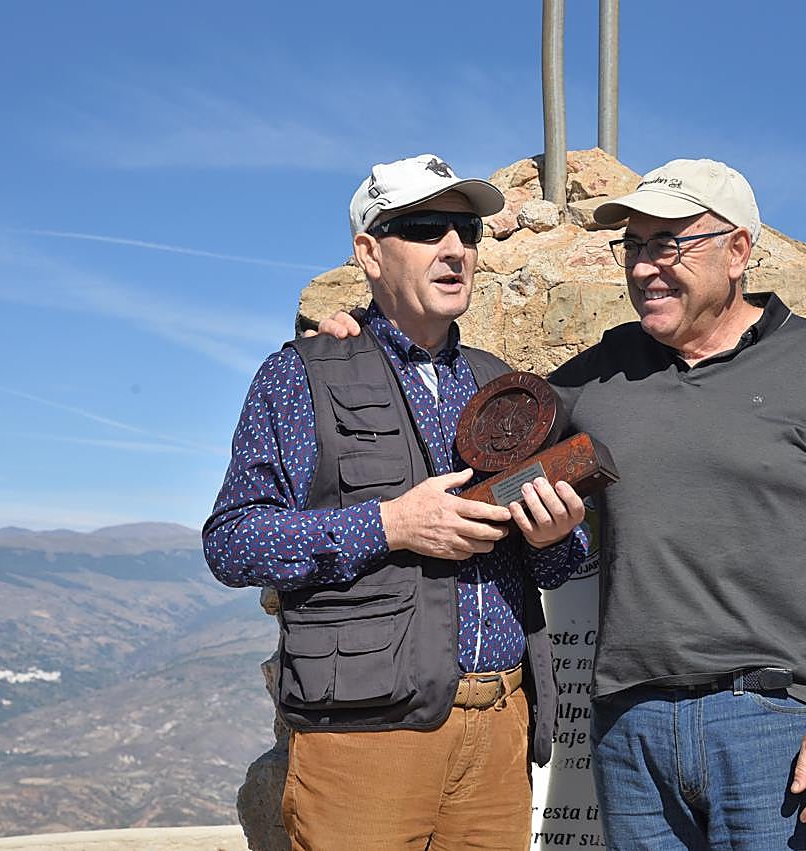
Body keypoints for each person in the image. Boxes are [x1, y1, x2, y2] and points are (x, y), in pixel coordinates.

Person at [315, 157, 806, 850]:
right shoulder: (602, 372)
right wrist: (359, 339)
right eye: (634, 246)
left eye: (669, 244)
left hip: (773, 721)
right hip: (630, 728)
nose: (645, 267)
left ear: (739, 250)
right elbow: (481, 424)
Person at [202, 153, 589, 851]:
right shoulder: (301, 375)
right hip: (365, 742)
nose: (454, 248)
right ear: (370, 253)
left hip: (500, 733)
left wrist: (553, 534)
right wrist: (390, 524)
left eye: (466, 230)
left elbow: (561, 567)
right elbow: (233, 541)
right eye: (424, 227)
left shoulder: (499, 386)